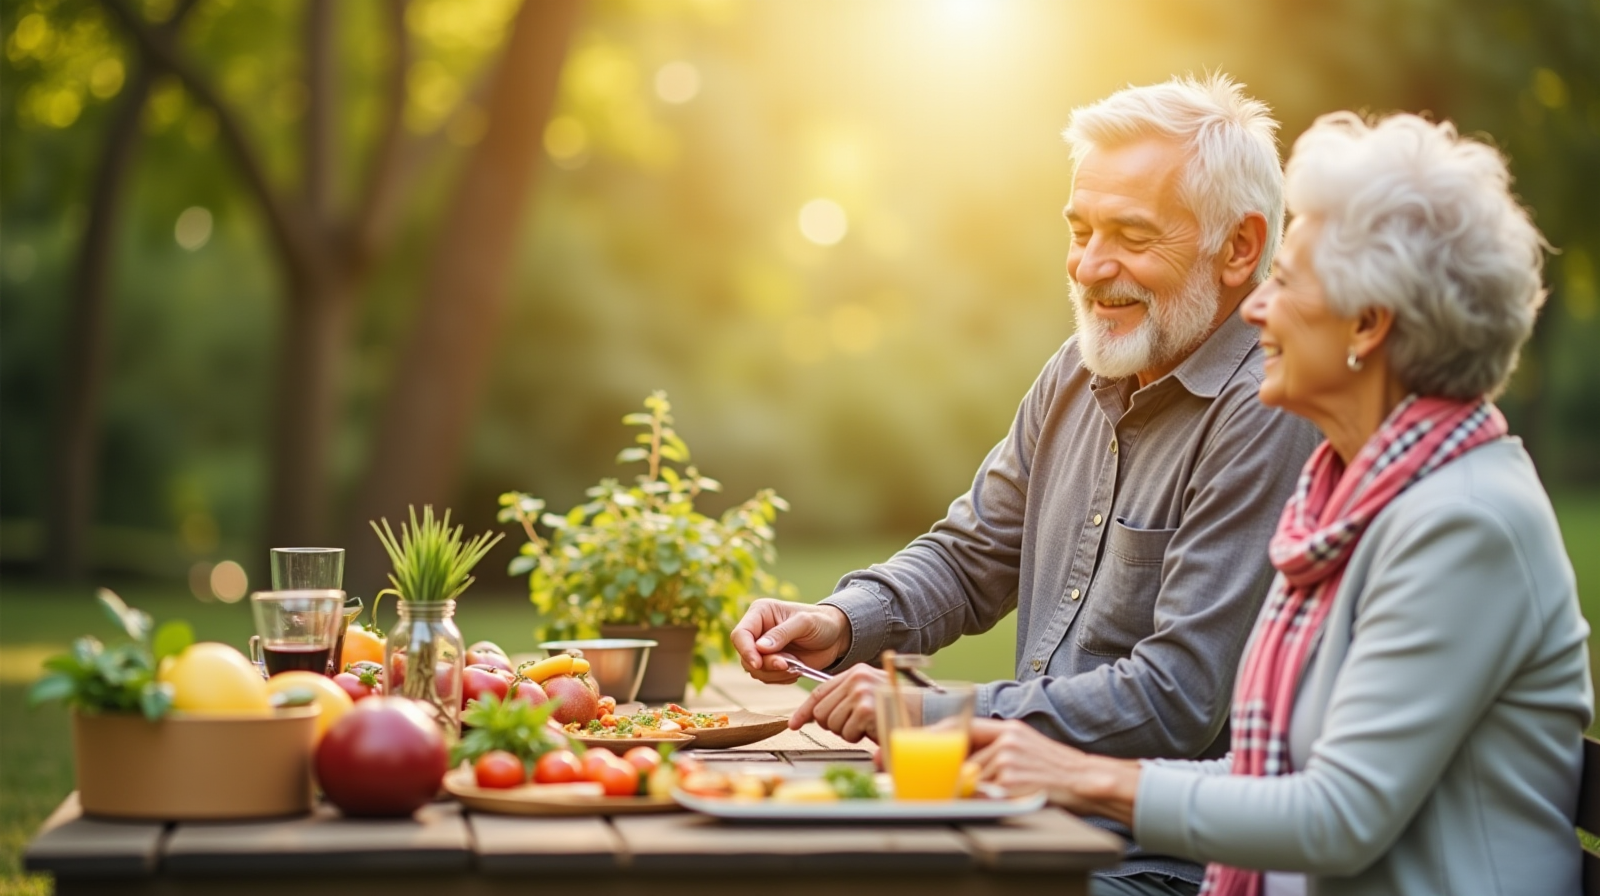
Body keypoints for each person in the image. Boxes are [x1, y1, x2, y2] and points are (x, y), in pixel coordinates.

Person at [967, 111, 1593, 896]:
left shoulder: (1463, 523)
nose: (1258, 307)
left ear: (1367, 325)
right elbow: (1284, 769)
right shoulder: (1357, 501)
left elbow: (1338, 813)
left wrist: (1085, 777)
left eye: (1288, 281)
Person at [732, 74, 1321, 894]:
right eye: (1079, 229)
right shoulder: (1079, 372)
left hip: (1151, 864)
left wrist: (928, 715)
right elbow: (974, 553)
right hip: (1014, 818)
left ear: (1241, 248)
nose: (1089, 265)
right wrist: (840, 620)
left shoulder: (1267, 406)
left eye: (1132, 235)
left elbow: (1178, 697)